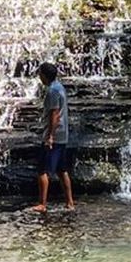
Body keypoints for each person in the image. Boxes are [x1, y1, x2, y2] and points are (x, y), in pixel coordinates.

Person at [31, 61, 74, 213]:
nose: (39, 77)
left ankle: (42, 204)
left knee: (42, 169)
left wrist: (50, 136)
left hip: (55, 135)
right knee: (62, 170)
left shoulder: (52, 91)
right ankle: (69, 202)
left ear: (44, 75)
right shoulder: (60, 87)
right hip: (63, 134)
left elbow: (54, 114)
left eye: (40, 74)